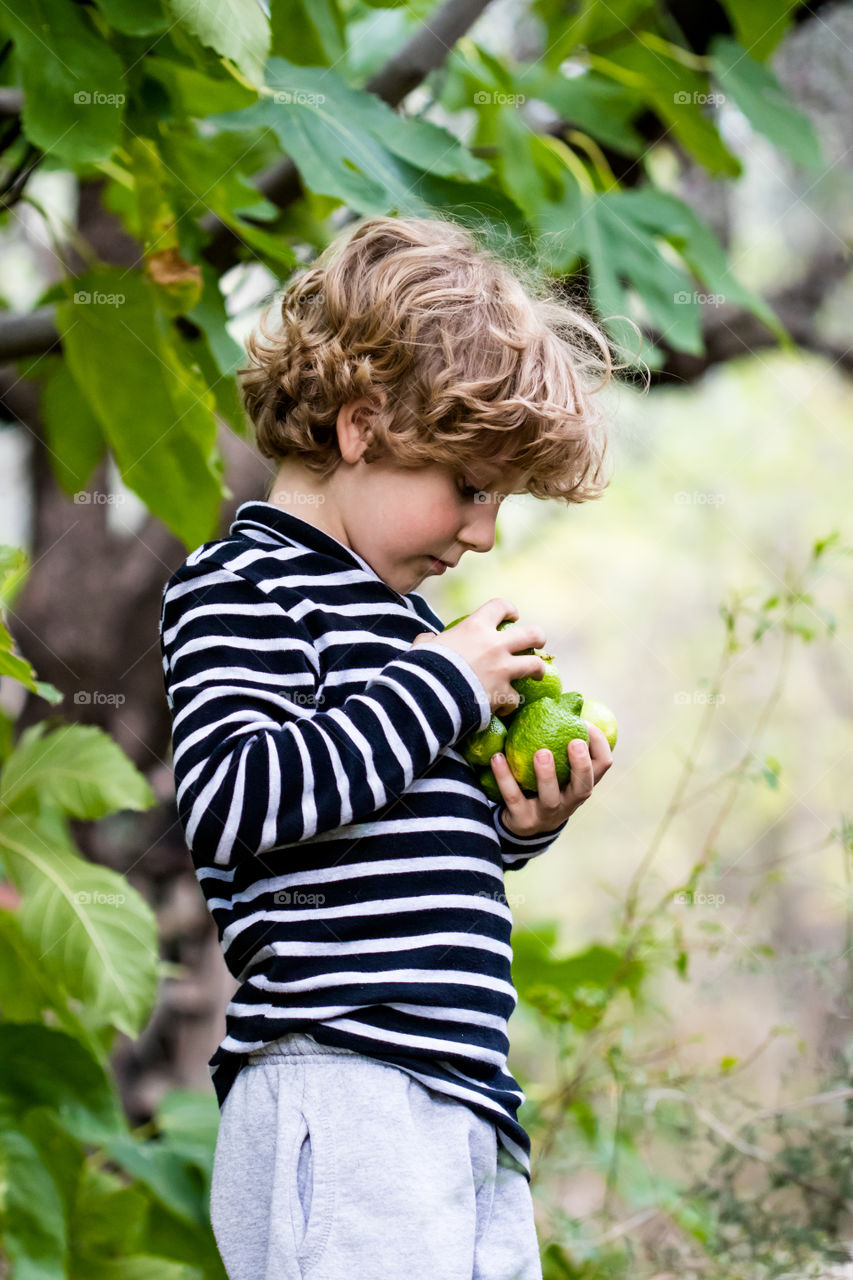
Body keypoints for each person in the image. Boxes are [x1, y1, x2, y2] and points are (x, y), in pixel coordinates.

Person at [158, 213, 619, 1280]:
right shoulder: (240, 587)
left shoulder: (412, 632)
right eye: (469, 487)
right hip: (341, 1077)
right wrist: (438, 687)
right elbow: (236, 800)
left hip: (460, 1090)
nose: (482, 534)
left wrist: (516, 823)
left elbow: (394, 835)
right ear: (361, 425)